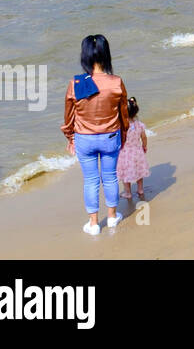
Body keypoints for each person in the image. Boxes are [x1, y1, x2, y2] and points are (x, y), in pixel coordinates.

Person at [62, 34, 131, 236]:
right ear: (106, 54)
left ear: (85, 56)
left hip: (84, 138)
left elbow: (69, 116)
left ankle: (93, 224)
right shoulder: (116, 82)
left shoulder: (76, 82)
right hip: (111, 136)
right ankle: (111, 217)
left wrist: (70, 137)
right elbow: (123, 115)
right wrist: (124, 135)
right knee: (110, 177)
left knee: (91, 180)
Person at [117, 97, 150, 203]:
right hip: (137, 152)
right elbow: (144, 137)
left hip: (125, 154)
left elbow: (118, 139)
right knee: (139, 172)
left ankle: (128, 192)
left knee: (126, 174)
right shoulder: (139, 124)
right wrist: (144, 146)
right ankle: (140, 190)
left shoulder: (121, 126)